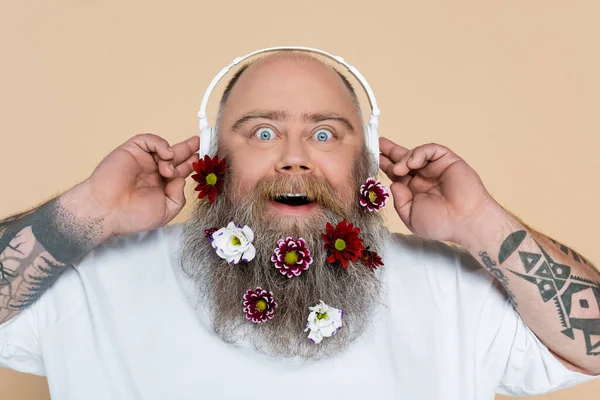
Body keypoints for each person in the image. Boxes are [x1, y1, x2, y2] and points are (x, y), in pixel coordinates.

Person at [0, 50, 599, 399]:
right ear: (212, 151)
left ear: (364, 156)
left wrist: (479, 222)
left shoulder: (456, 290)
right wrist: (90, 212)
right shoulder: (91, 280)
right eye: (261, 131)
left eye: (324, 133)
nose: (294, 156)